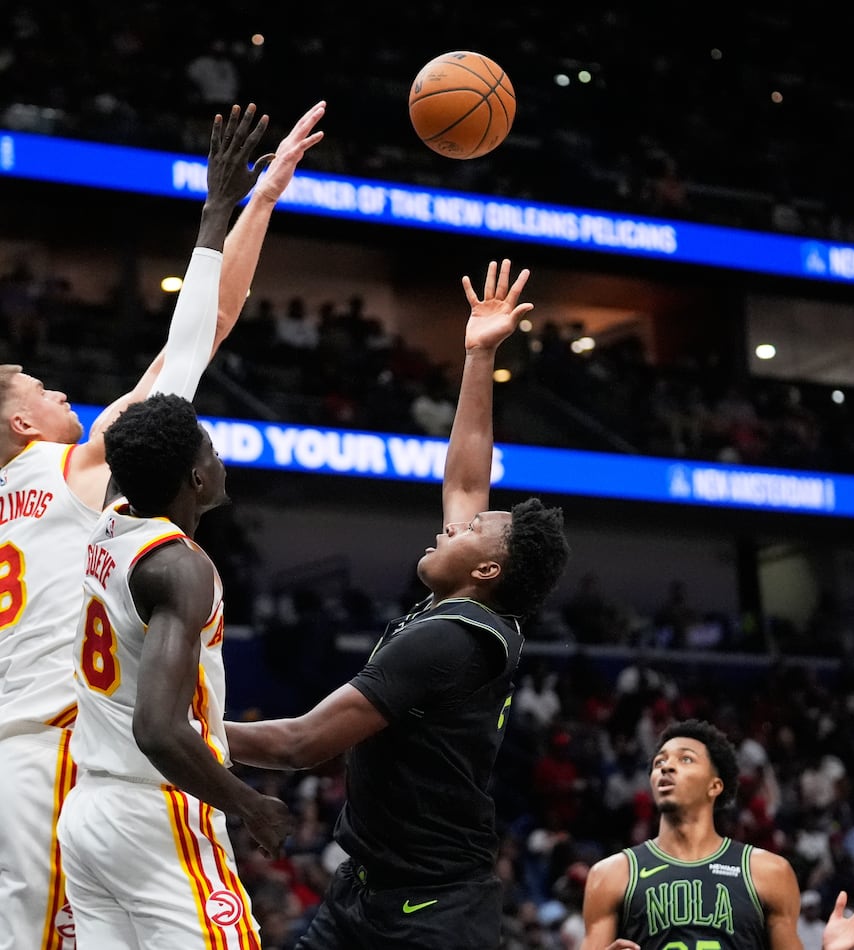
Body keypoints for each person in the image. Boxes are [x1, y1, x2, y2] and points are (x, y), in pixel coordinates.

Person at [0, 99, 327, 950]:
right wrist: (245, 204)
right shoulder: (76, 471)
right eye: (41, 389)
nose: (60, 392)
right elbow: (200, 333)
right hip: (65, 764)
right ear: (21, 424)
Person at [225, 259, 572, 950]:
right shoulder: (474, 605)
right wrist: (479, 356)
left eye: (468, 532)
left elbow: (300, 743)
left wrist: (180, 731)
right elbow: (467, 480)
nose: (450, 527)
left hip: (430, 914)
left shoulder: (450, 640)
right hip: (367, 890)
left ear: (487, 568)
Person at [57, 392, 291, 946]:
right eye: (211, 451)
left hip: (88, 810)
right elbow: (158, 729)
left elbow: (129, 443)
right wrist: (249, 805)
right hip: (154, 809)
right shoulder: (179, 568)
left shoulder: (111, 518)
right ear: (197, 479)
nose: (220, 459)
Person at [580, 718, 854, 950]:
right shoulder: (611, 874)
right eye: (659, 762)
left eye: (685, 759)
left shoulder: (768, 872)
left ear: (715, 785)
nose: (666, 767)